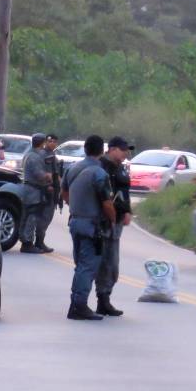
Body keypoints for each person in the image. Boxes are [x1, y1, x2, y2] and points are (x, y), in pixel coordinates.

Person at [60, 135, 116, 321]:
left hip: (75, 221)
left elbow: (64, 193)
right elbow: (107, 203)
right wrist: (112, 219)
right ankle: (79, 306)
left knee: (80, 265)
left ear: (85, 149)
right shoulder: (99, 173)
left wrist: (77, 206)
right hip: (92, 225)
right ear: (102, 151)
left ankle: (76, 303)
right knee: (88, 267)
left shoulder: (72, 169)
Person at [95, 136, 134, 317]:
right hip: (103, 221)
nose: (125, 153)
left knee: (113, 264)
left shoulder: (121, 168)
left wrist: (127, 211)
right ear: (112, 149)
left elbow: (124, 193)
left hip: (117, 221)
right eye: (122, 149)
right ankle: (101, 299)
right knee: (105, 262)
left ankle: (106, 297)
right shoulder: (101, 167)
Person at [19, 133, 51, 254]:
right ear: (42, 143)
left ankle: (26, 240)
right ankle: (27, 242)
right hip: (33, 190)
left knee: (27, 215)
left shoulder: (29, 154)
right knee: (32, 216)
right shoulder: (34, 157)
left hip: (29, 189)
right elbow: (39, 175)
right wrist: (49, 176)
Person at [35, 133, 61, 252]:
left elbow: (56, 173)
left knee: (47, 216)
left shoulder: (52, 154)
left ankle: (40, 241)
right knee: (45, 217)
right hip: (46, 189)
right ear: (45, 142)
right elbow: (43, 174)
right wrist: (49, 186)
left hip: (53, 188)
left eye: (54, 141)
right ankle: (39, 242)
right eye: (50, 141)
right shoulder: (42, 155)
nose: (52, 143)